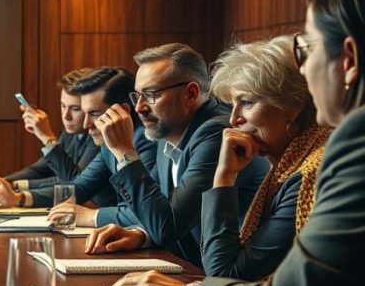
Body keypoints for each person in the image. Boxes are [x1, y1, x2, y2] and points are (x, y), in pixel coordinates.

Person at [102, 0, 365, 286]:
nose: (233, 120)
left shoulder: (330, 158)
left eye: (308, 48)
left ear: (348, 59)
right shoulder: (294, 162)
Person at [80, 44, 270, 268]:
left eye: (150, 95)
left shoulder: (217, 133)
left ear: (190, 93)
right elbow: (162, 212)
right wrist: (142, 235)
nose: (139, 108)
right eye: (137, 96)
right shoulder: (168, 132)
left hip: (231, 278)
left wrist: (125, 152)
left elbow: (166, 227)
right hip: (195, 268)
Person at [199, 35, 330, 281]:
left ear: (293, 106)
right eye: (232, 105)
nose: (233, 119)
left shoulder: (312, 173)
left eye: (247, 102)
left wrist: (225, 175)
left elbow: (224, 273)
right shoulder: (289, 164)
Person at [0, 67, 156, 211]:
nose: (87, 123)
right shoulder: (106, 142)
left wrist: (47, 138)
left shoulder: (143, 140)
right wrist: (11, 191)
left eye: (92, 113)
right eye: (63, 106)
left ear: (123, 111)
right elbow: (78, 186)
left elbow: (141, 211)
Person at [0, 68, 97, 199]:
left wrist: (47, 137)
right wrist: (1, 183)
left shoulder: (98, 137)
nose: (66, 116)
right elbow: (41, 168)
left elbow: (74, 182)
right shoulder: (71, 131)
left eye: (75, 109)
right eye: (62, 106)